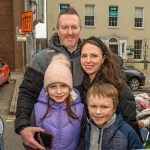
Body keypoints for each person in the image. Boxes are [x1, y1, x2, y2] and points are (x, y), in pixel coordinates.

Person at [15, 7, 83, 149]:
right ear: (57, 29)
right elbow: (27, 94)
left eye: (74, 27)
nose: (70, 32)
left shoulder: (88, 57)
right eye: (64, 27)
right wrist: (22, 126)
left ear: (80, 29)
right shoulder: (41, 59)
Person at [79, 36, 142, 139]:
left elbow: (129, 124)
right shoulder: (84, 83)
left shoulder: (117, 85)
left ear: (103, 59)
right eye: (84, 56)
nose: (88, 60)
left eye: (94, 56)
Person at [24, 54, 86, 150]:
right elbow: (31, 140)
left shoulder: (80, 109)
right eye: (53, 86)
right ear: (46, 88)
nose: (59, 91)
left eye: (63, 86)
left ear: (70, 87)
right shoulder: (38, 109)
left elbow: (84, 138)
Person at [84, 81, 143, 150]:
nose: (98, 112)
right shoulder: (86, 128)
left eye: (104, 107)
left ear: (114, 108)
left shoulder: (127, 131)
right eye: (93, 106)